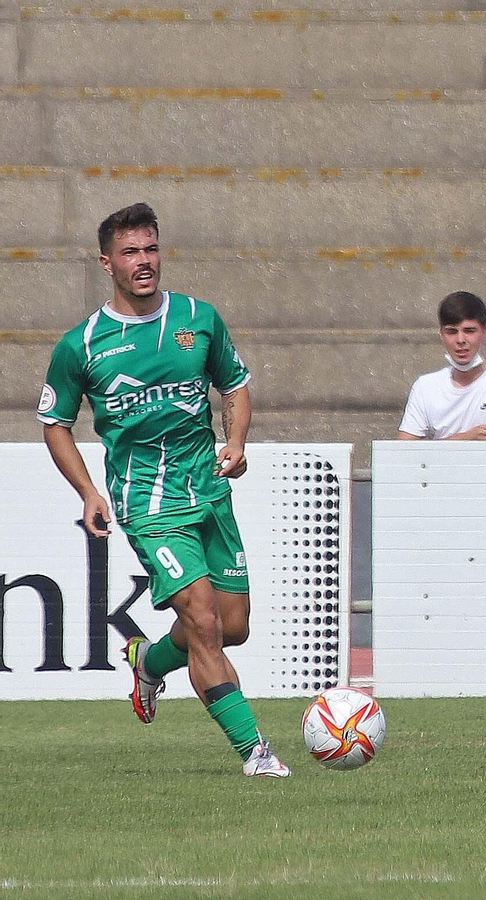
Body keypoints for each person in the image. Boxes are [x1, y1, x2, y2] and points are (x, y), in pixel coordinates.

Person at [38, 202, 291, 777]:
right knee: (203, 624)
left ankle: (149, 660)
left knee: (233, 626)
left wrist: (237, 441)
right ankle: (256, 752)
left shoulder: (199, 319)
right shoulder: (82, 345)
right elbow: (55, 422)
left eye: (151, 249)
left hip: (209, 491)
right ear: (108, 263)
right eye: (131, 252)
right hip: (148, 504)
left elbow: (235, 385)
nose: (144, 261)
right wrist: (88, 492)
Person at [398, 291, 486, 441]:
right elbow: (404, 450)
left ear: (484, 333)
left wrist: (441, 446)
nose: (460, 340)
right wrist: (469, 437)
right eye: (452, 332)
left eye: (469, 331)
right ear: (442, 335)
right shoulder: (425, 386)